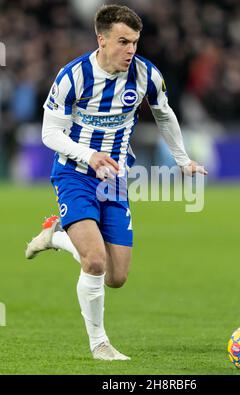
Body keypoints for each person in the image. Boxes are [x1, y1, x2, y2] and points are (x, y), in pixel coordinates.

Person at [25, 4, 208, 361]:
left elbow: (164, 114)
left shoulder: (145, 75)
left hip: (116, 179)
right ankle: (100, 345)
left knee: (116, 276)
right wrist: (87, 155)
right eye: (123, 42)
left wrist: (183, 161)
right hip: (74, 174)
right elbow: (49, 133)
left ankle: (55, 237)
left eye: (135, 42)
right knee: (94, 261)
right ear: (102, 39)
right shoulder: (72, 76)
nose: (130, 51)